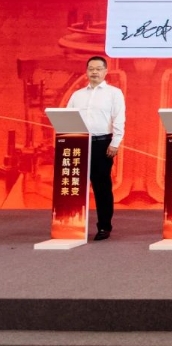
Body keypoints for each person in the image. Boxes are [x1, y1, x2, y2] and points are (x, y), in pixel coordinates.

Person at [66, 56, 125, 241]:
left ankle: (104, 226)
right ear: (86, 71)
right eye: (91, 68)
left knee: (101, 187)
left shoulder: (114, 93)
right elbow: (66, 117)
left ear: (105, 71)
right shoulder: (77, 95)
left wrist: (115, 142)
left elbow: (119, 118)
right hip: (79, 143)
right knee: (75, 185)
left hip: (102, 144)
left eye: (98, 69)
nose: (94, 72)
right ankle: (71, 223)